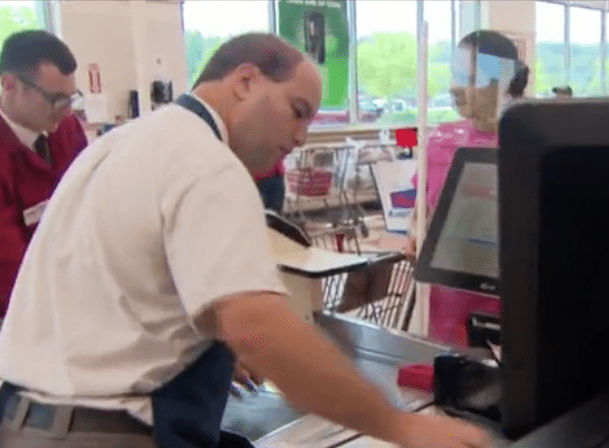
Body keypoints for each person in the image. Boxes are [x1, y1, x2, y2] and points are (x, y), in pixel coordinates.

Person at [0, 33, 492, 448]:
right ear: (245, 81)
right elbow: (257, 328)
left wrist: (208, 342)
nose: (301, 137)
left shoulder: (122, 144)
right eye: (297, 111)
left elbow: (121, 290)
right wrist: (399, 425)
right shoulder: (207, 160)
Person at [405, 30, 529, 347]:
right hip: (449, 303)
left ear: (500, 81)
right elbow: (423, 212)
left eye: (468, 77)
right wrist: (415, 233)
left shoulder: (531, 142)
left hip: (513, 303)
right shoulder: (440, 142)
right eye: (454, 75)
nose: (454, 87)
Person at [0, 30, 87, 326]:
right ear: (9, 85)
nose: (66, 112)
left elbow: (88, 205)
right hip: (18, 311)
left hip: (68, 288)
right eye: (55, 99)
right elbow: (9, 270)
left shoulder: (66, 128)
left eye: (71, 99)